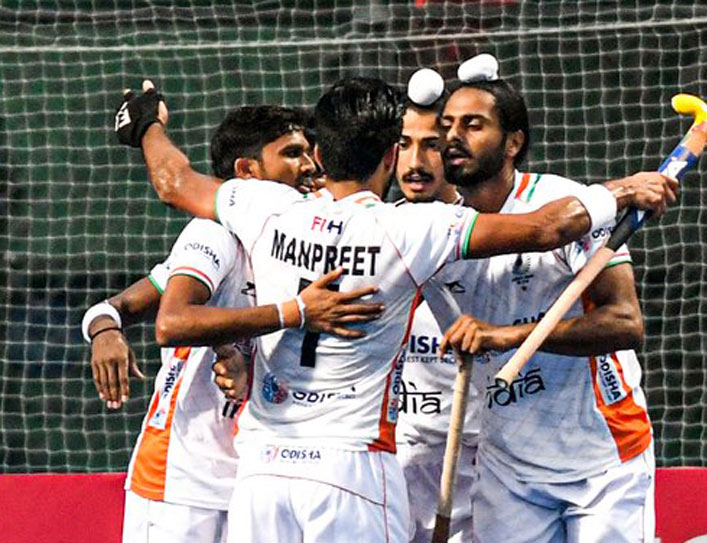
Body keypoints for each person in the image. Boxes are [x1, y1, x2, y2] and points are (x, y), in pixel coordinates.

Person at [115, 76, 676, 543]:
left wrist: (148, 126)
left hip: (263, 473)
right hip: (352, 467)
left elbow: (172, 180)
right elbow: (547, 228)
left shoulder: (263, 206)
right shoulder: (410, 228)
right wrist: (623, 191)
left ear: (318, 154)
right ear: (390, 156)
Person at [84, 104, 383, 543]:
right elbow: (148, 315)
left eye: (309, 152)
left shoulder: (305, 244)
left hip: (259, 477)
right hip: (181, 483)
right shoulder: (214, 232)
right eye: (292, 153)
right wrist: (104, 330)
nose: (309, 166)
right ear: (247, 171)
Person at [434, 58, 659, 543]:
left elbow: (625, 323)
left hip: (603, 460)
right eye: (446, 125)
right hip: (508, 466)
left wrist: (508, 337)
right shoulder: (440, 230)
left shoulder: (569, 204)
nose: (453, 137)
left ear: (513, 142)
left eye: (472, 124)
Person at [392, 75, 479, 543]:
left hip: (476, 458)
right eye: (404, 145)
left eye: (431, 145)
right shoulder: (373, 229)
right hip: (395, 457)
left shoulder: (488, 233)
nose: (415, 162)